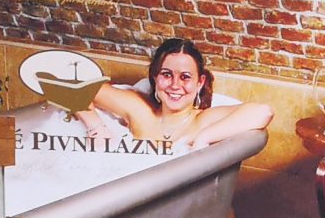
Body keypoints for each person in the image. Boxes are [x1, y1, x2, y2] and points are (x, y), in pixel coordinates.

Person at [74, 35, 274, 151]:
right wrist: (96, 127)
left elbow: (263, 112)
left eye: (185, 77)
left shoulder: (203, 121)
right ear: (155, 77)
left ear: (200, 82)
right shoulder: (139, 109)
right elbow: (77, 87)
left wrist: (204, 138)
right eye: (167, 75)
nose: (175, 85)